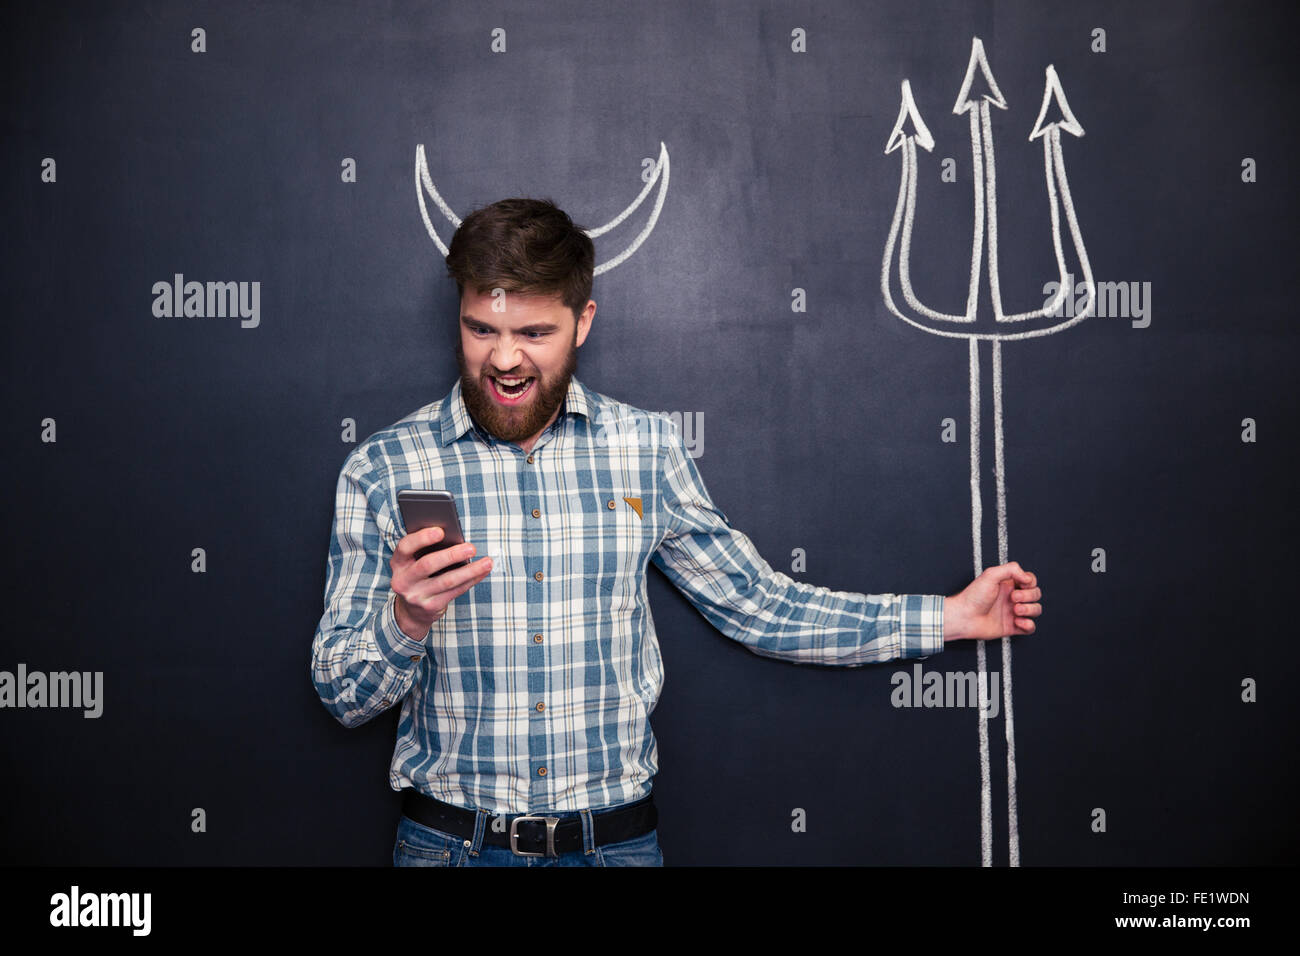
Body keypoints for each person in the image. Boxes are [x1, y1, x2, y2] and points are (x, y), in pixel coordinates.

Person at [310, 197, 1042, 867]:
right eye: (482, 330)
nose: (504, 359)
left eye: (534, 332)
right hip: (450, 847)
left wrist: (948, 617)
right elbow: (342, 696)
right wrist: (405, 620)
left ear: (583, 323)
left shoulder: (646, 450)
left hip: (614, 848)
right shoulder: (385, 467)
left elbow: (760, 605)